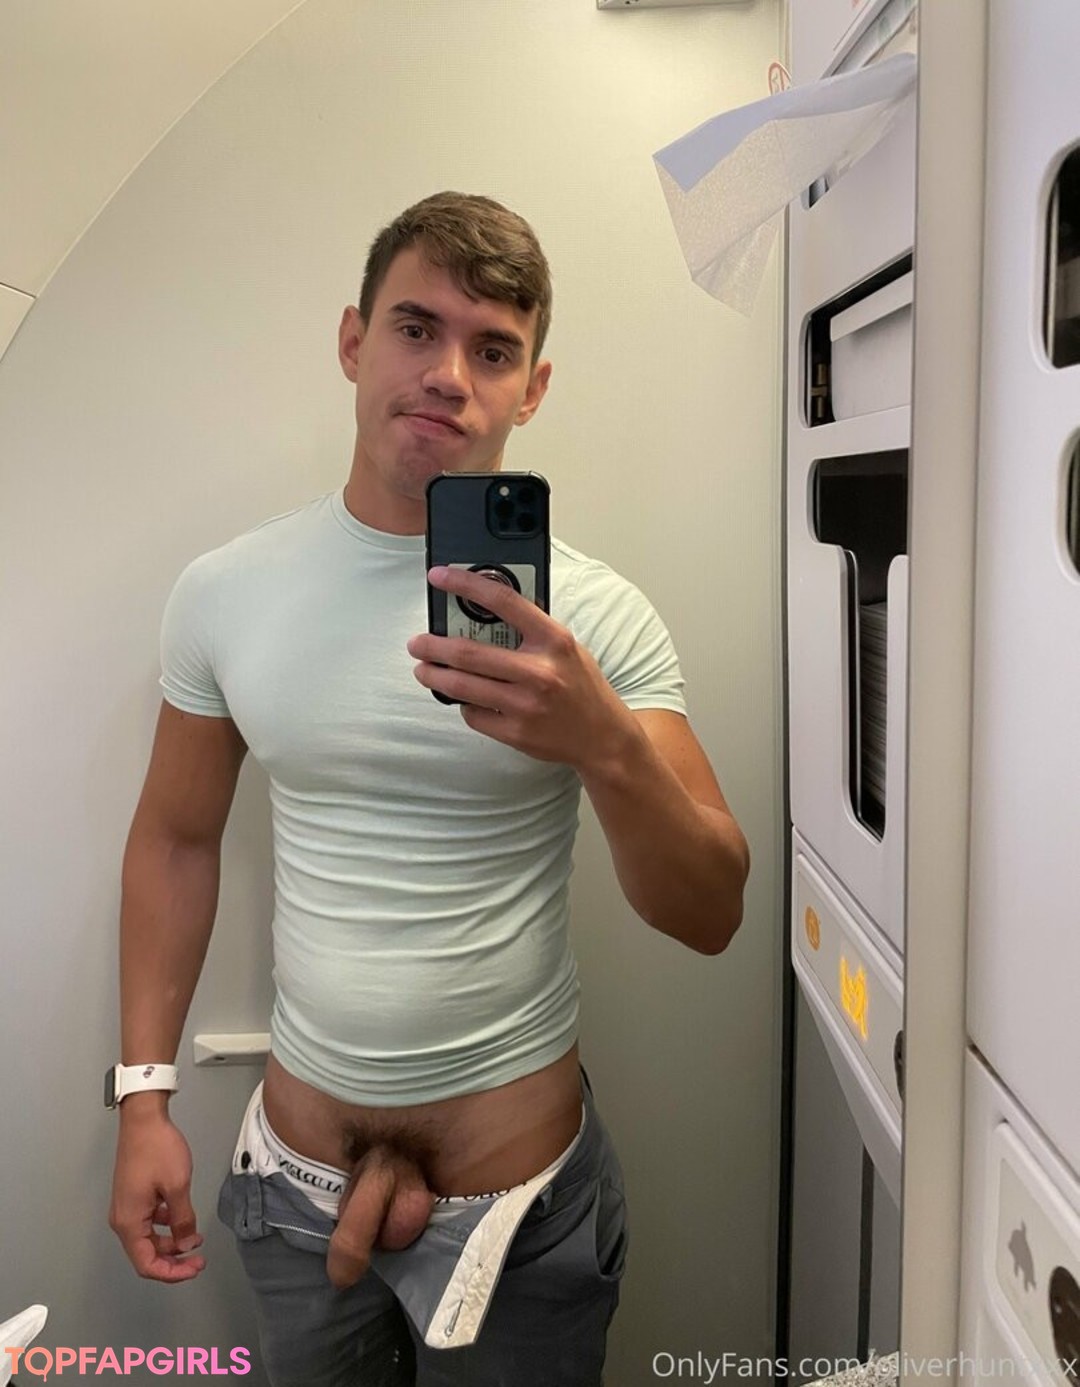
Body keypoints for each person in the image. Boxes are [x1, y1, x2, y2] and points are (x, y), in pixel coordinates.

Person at [107, 191, 749, 1386]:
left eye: (492, 349)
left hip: (521, 1210)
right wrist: (144, 1097)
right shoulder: (226, 591)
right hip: (296, 1195)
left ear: (533, 388)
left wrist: (603, 743)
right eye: (416, 329)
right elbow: (176, 839)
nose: (448, 375)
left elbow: (711, 908)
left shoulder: (592, 617)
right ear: (354, 342)